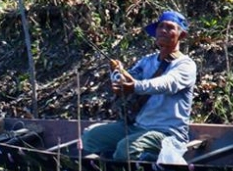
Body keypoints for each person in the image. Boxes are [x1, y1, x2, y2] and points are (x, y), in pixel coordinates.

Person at [81, 10, 196, 162]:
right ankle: (111, 160)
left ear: (181, 36)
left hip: (167, 133)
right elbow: (129, 79)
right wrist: (117, 73)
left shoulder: (185, 65)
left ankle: (148, 161)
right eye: (161, 27)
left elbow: (166, 83)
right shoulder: (146, 61)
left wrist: (134, 86)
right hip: (138, 127)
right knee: (91, 136)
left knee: (126, 148)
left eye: (170, 28)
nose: (163, 31)